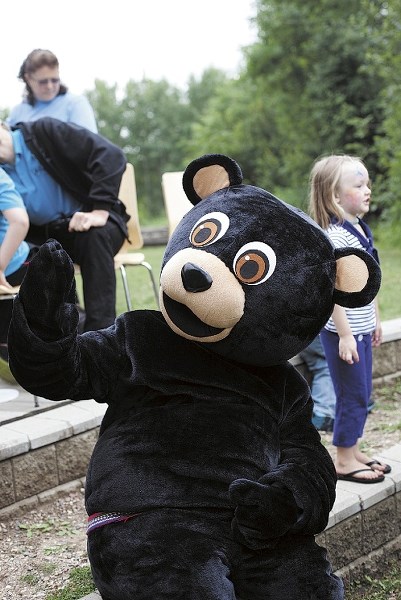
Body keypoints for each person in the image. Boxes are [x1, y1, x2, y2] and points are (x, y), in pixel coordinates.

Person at [0, 117, 128, 332]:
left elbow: (111, 155)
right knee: (37, 258)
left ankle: (101, 335)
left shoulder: (44, 132)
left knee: (93, 236)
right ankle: (71, 331)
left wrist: (99, 210)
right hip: (44, 238)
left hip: (92, 225)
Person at [309, 154, 390, 483]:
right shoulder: (336, 238)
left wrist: (376, 319)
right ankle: (343, 459)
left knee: (363, 391)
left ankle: (353, 449)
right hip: (342, 333)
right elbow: (334, 293)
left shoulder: (359, 230)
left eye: (367, 183)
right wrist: (343, 335)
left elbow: (369, 282)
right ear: (334, 196)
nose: (368, 189)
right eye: (358, 185)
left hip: (360, 329)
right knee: (352, 394)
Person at [7, 49, 97, 132]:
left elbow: (89, 146)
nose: (49, 86)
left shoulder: (75, 104)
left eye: (54, 80)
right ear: (28, 79)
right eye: (43, 82)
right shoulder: (17, 112)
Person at [299, 335, 336, 432]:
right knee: (329, 366)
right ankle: (322, 414)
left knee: (322, 365)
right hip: (315, 334)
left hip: (300, 336)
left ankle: (321, 415)